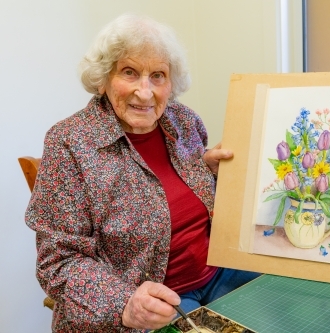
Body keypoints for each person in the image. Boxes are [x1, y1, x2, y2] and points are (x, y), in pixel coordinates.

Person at [25, 13, 259, 332]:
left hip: (222, 272)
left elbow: (166, 189)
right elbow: (59, 262)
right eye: (130, 72)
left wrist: (209, 173)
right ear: (104, 77)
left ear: (171, 82)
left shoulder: (184, 121)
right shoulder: (70, 143)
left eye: (158, 76)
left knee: (304, 300)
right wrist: (125, 304)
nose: (145, 92)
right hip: (157, 302)